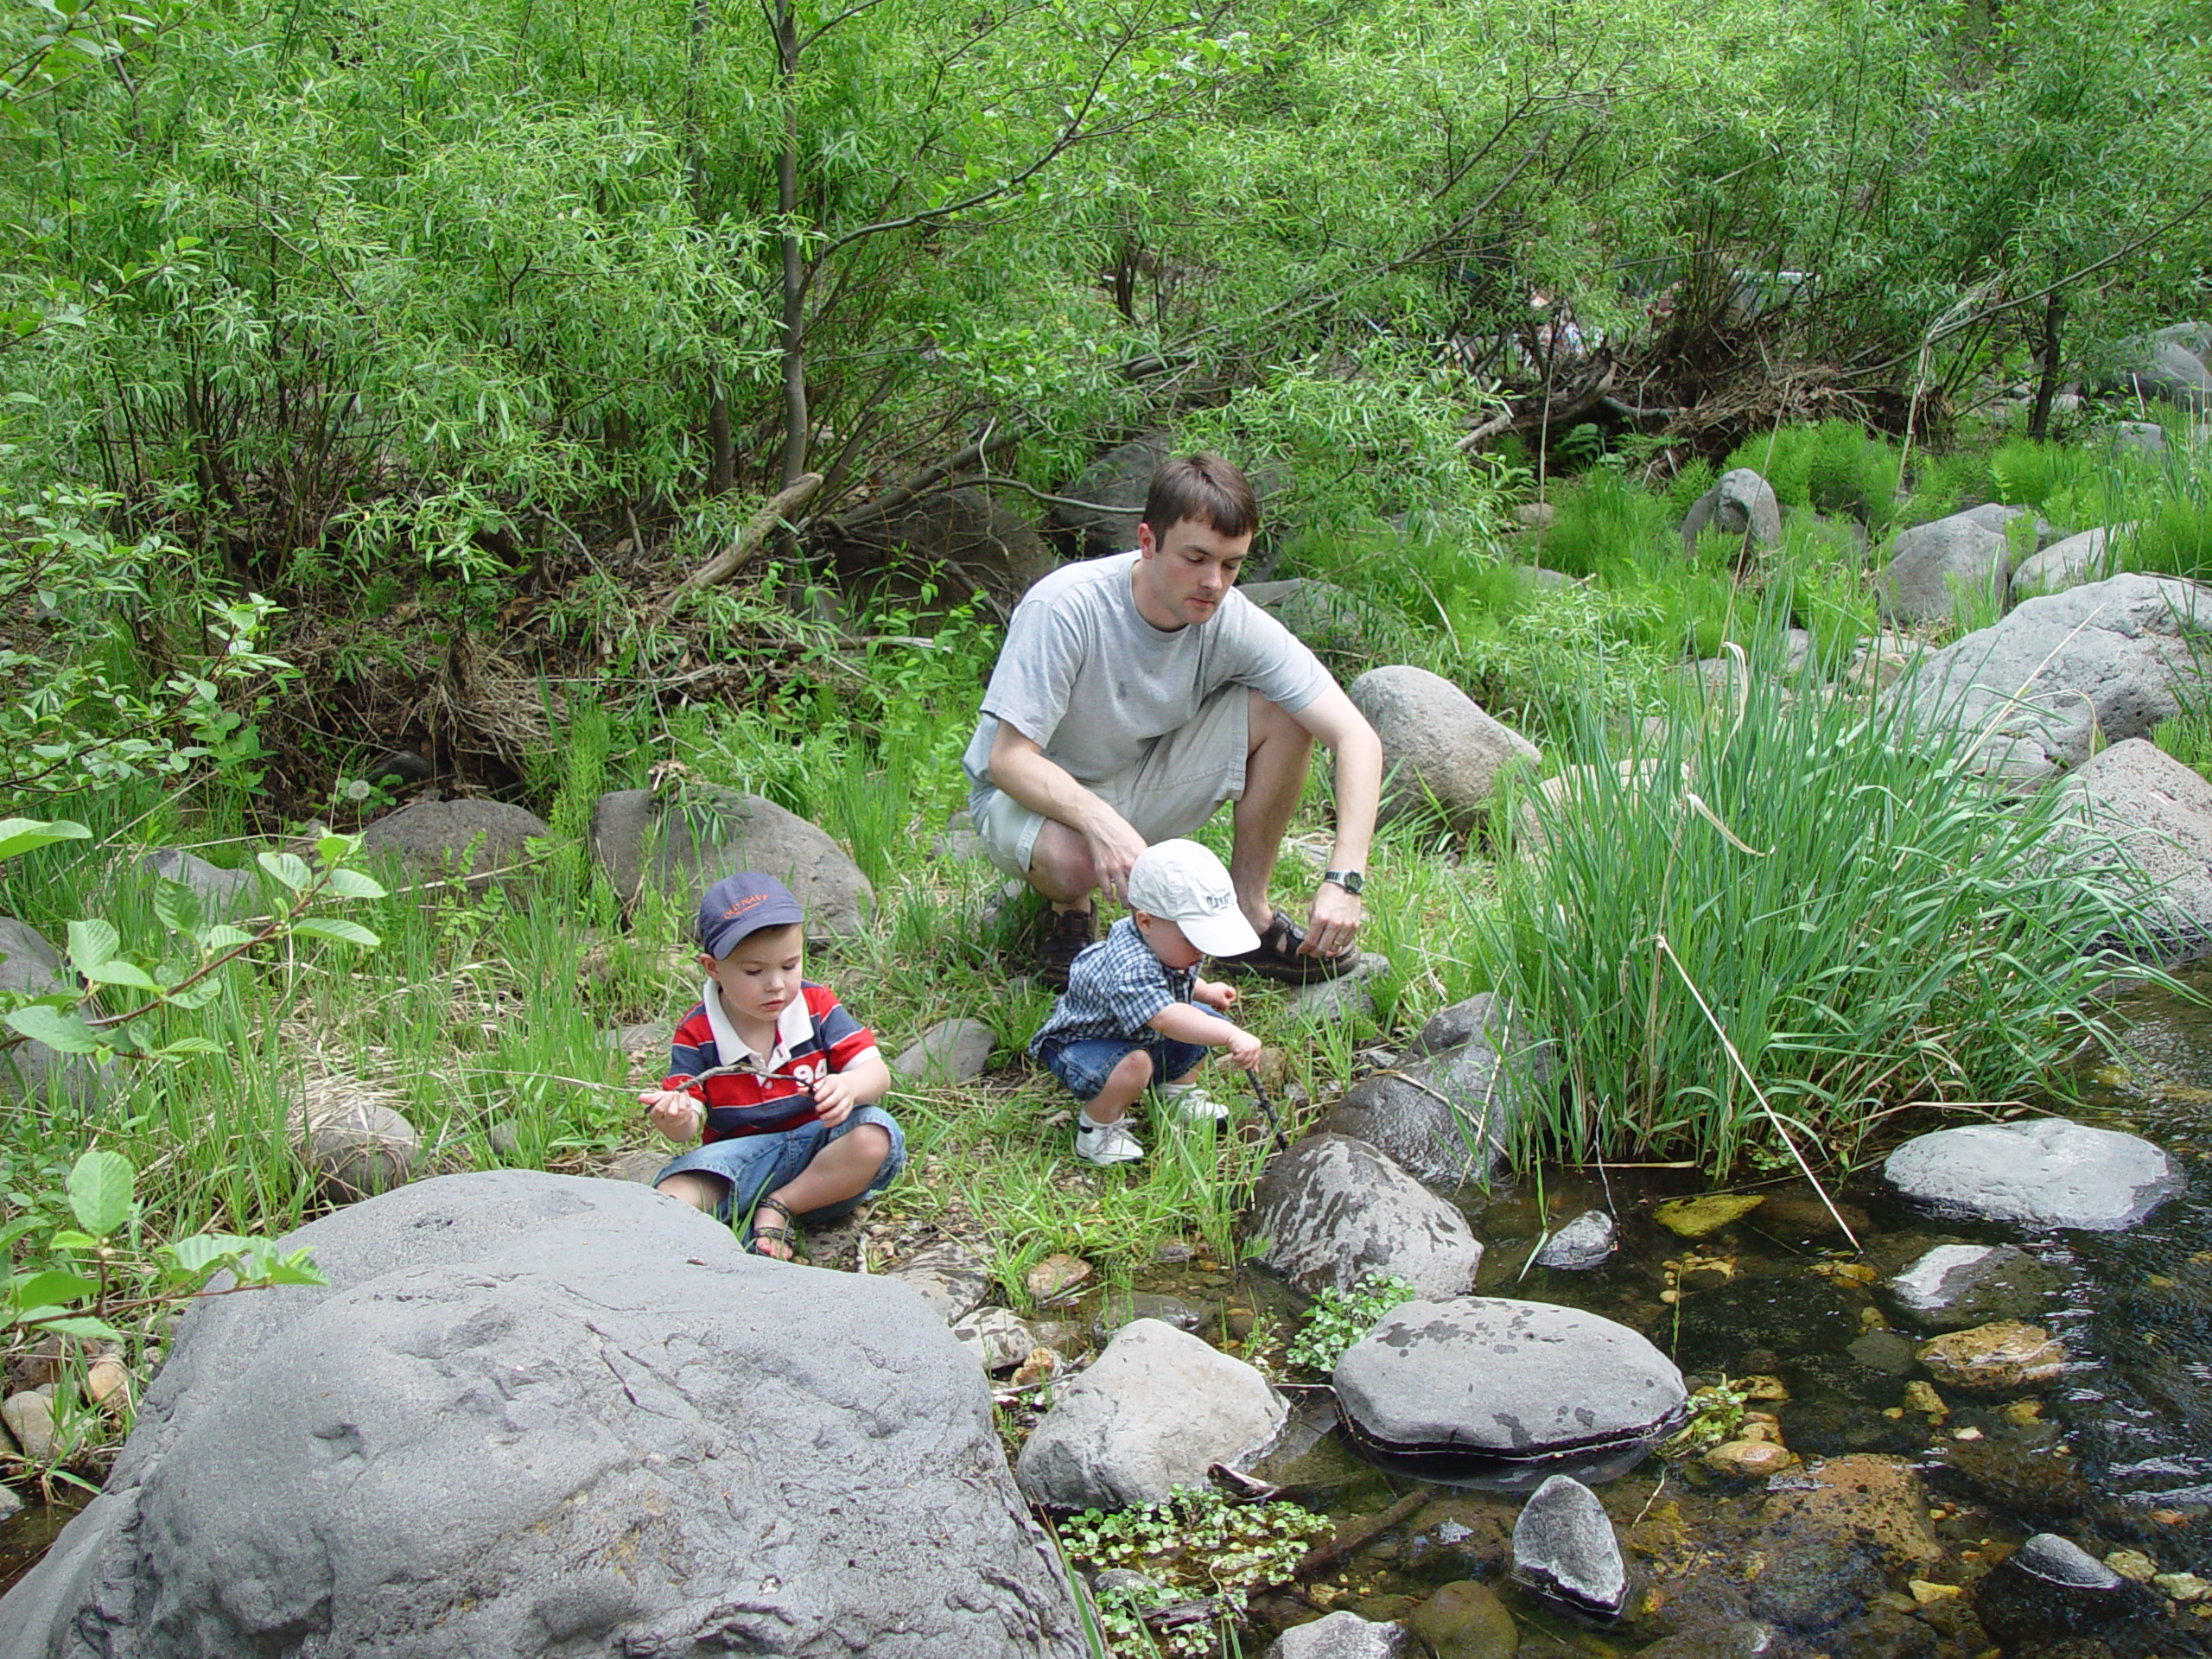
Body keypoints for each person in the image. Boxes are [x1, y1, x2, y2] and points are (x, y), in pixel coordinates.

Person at [961, 452, 1384, 988]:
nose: (1214, 582)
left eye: (1231, 565)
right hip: (1025, 796)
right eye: (1196, 558)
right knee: (1074, 863)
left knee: (1287, 714)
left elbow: (1357, 738)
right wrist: (1099, 823)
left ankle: (1248, 915)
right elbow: (1009, 759)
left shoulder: (1232, 621)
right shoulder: (1067, 607)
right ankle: (1069, 910)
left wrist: (1345, 879)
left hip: (1134, 776)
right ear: (1147, 541)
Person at [638, 872, 903, 1260]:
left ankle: (781, 1206)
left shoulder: (816, 1006)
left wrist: (849, 1087)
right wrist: (675, 1118)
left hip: (823, 1155)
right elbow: (688, 1119)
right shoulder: (698, 1031)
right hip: (742, 1161)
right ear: (713, 968)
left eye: (789, 965)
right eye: (754, 972)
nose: (776, 984)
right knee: (671, 1195)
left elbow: (877, 1074)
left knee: (875, 1135)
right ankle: (738, 1218)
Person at [1029, 838, 1266, 1166]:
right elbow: (1165, 1017)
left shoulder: (1170, 943)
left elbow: (1173, 980)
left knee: (1206, 1017)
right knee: (1143, 1058)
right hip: (1086, 1047)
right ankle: (1098, 1129)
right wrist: (1229, 1036)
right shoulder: (1130, 965)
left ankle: (1176, 1093)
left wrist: (1203, 990)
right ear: (1145, 922)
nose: (1202, 950)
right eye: (1194, 938)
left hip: (1140, 1034)